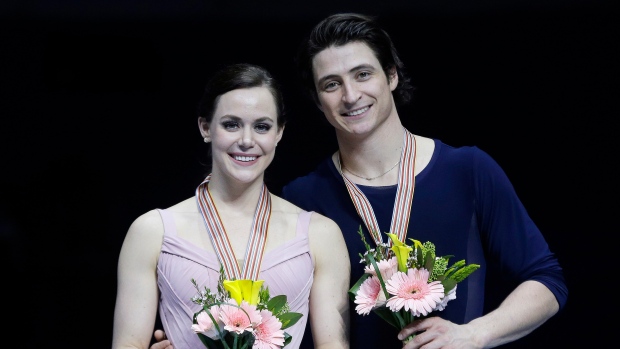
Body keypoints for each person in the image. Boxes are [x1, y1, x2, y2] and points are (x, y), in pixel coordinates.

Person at [150, 13, 568, 349]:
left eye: (362, 75)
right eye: (332, 84)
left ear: (391, 76)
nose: (350, 96)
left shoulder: (467, 170)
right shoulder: (303, 198)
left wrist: (474, 334)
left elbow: (547, 281)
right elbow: (270, 307)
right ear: (318, 100)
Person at [112, 63, 350, 349]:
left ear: (279, 133)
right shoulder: (152, 231)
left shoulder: (320, 234)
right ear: (205, 127)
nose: (246, 141)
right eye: (231, 124)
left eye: (261, 126)